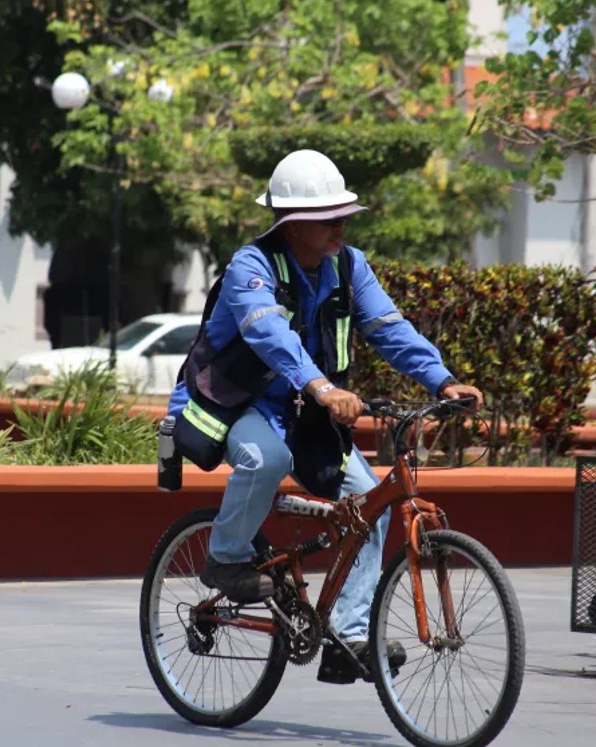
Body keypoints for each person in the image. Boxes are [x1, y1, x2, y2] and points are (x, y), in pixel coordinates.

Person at [166, 149, 482, 685]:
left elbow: (389, 328)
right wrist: (321, 387)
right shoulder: (251, 267)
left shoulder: (350, 265)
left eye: (342, 215)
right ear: (291, 224)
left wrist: (442, 380)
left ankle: (349, 637)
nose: (340, 225)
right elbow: (271, 336)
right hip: (231, 403)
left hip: (304, 410)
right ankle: (224, 557)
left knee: (371, 506)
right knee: (267, 460)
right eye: (326, 217)